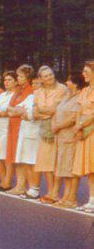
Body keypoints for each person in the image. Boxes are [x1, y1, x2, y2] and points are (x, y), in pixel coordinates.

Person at [33, 66, 68, 202]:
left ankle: (56, 193)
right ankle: (50, 191)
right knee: (46, 162)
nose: (49, 77)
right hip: (44, 130)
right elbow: (35, 113)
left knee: (56, 162)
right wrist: (44, 112)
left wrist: (42, 111)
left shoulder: (62, 89)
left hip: (57, 129)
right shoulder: (38, 92)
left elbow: (57, 109)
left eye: (51, 74)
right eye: (46, 76)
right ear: (41, 79)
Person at [50, 72, 84, 208]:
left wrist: (58, 126)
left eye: (69, 81)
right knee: (62, 166)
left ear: (75, 83)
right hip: (60, 136)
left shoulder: (79, 97)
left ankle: (71, 197)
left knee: (69, 167)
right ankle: (65, 196)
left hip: (70, 136)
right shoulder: (67, 96)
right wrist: (54, 124)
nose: (66, 83)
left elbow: (73, 118)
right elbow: (57, 112)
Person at [7, 65, 39, 197]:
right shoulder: (19, 89)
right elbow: (10, 107)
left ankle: (23, 185)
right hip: (14, 124)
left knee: (23, 156)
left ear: (28, 78)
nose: (18, 78)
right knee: (17, 156)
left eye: (21, 76)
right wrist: (14, 111)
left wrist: (14, 111)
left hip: (22, 124)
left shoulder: (30, 90)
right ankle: (19, 185)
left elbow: (20, 110)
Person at [0, 71, 18, 191]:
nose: (6, 82)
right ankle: (4, 178)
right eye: (5, 80)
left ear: (16, 82)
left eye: (10, 80)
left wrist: (2, 113)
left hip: (9, 127)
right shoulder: (2, 95)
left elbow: (12, 111)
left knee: (7, 156)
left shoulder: (16, 95)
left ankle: (7, 182)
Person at [72, 60, 94, 213]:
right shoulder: (85, 90)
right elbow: (79, 110)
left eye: (87, 71)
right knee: (90, 169)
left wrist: (81, 125)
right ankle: (91, 200)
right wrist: (77, 126)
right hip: (83, 130)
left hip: (92, 130)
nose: (83, 74)